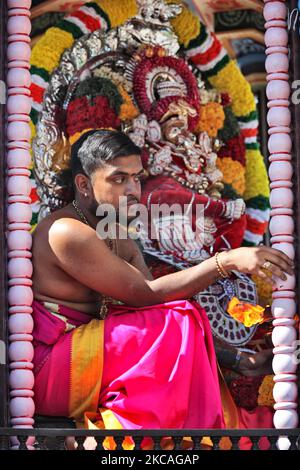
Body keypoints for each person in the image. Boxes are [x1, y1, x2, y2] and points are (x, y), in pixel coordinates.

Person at [31, 129, 293, 438]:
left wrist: (239, 360)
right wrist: (227, 261)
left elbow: (161, 308)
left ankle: (165, 433)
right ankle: (124, 435)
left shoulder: (116, 236)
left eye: (136, 178)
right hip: (50, 370)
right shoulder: (66, 231)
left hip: (88, 361)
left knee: (180, 314)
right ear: (84, 184)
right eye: (118, 179)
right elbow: (146, 296)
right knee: (177, 317)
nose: (132, 189)